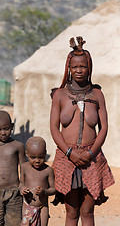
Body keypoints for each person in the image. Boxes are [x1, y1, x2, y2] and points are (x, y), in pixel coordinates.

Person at [50, 36, 115, 226]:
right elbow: (54, 128)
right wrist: (70, 153)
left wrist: (90, 153)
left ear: (89, 68)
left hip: (92, 160)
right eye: (75, 67)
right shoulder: (60, 95)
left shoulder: (97, 95)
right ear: (69, 69)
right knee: (71, 212)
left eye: (83, 66)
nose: (79, 70)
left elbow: (103, 129)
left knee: (88, 212)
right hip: (66, 158)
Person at [0, 110, 26, 226]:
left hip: (14, 192)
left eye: (6, 129)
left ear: (12, 126)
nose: (3, 133)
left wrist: (22, 185)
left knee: (14, 222)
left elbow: (24, 168)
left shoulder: (18, 146)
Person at [19, 136, 56, 226]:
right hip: (27, 205)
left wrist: (44, 191)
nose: (37, 161)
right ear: (26, 154)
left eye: (40, 157)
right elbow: (21, 183)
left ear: (45, 153)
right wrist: (22, 189)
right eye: (33, 157)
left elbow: (53, 189)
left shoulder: (48, 170)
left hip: (42, 207)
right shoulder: (24, 167)